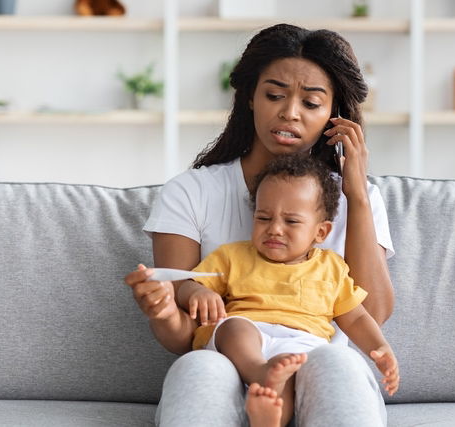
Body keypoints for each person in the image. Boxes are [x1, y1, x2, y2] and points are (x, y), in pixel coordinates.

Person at [124, 23, 396, 426]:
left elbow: (370, 312)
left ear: (332, 115)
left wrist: (356, 197)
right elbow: (184, 336)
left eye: (311, 103)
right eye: (274, 95)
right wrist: (164, 309)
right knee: (201, 367)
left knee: (336, 364)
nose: (289, 113)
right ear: (250, 97)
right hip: (225, 365)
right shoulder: (192, 192)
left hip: (315, 366)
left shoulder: (357, 199)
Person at [182, 154, 399, 427]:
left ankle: (270, 420)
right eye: (263, 217)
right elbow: (189, 284)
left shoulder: (331, 267)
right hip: (248, 340)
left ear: (321, 232)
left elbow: (355, 317)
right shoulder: (233, 256)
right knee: (234, 327)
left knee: (286, 369)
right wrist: (196, 293)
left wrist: (380, 348)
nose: (274, 229)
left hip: (303, 343)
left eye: (291, 222)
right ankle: (258, 373)